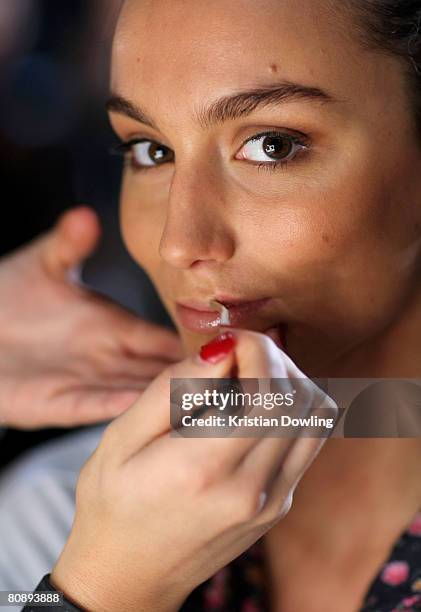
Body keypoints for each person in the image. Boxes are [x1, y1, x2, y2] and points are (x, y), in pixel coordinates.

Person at [8, 0, 421, 610]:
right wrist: (98, 591)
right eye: (151, 150)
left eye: (273, 145)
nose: (178, 244)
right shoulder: (58, 516)